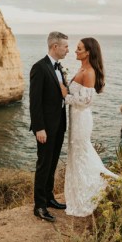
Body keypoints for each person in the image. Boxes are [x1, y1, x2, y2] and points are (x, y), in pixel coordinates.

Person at [60, 37, 122, 217]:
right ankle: (80, 190)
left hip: (81, 119)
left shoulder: (89, 72)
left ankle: (90, 192)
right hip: (76, 118)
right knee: (77, 154)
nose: (75, 51)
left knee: (81, 153)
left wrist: (65, 95)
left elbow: (86, 101)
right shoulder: (82, 68)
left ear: (88, 52)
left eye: (79, 49)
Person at [29, 31, 70, 222]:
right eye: (65, 46)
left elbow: (60, 94)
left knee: (52, 163)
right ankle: (39, 206)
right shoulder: (39, 67)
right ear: (55, 46)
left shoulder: (59, 67)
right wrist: (39, 128)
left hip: (59, 125)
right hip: (45, 128)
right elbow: (34, 101)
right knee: (44, 165)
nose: (67, 50)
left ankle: (49, 198)